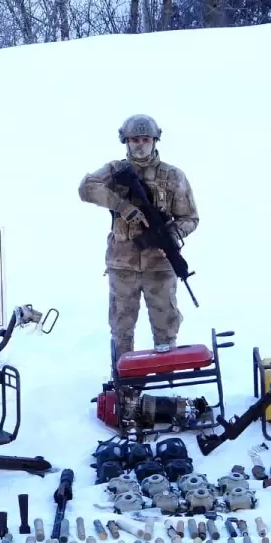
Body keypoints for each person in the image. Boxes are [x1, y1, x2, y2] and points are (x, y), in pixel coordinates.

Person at [78, 114, 199, 374]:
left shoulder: (173, 176)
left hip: (160, 265)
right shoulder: (115, 171)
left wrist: (172, 234)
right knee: (122, 328)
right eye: (134, 140)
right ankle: (125, 384)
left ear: (155, 140)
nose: (140, 145)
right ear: (126, 141)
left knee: (165, 327)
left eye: (145, 139)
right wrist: (123, 207)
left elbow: (190, 217)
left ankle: (166, 381)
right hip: (123, 263)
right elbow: (86, 188)